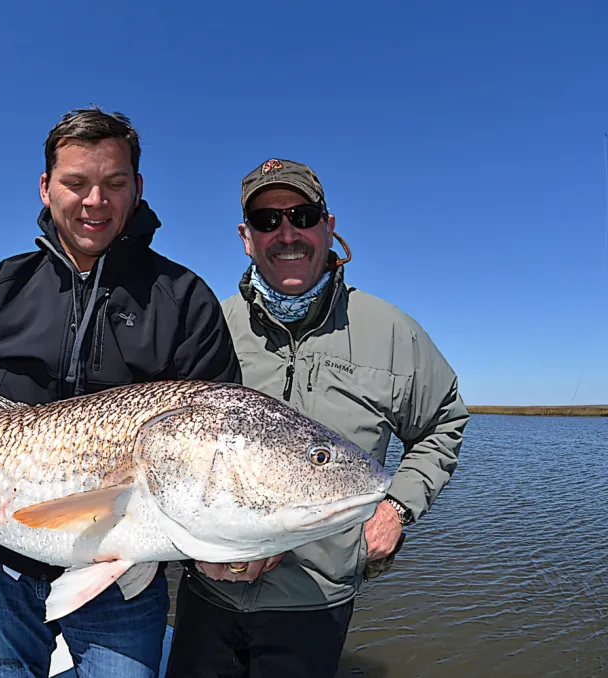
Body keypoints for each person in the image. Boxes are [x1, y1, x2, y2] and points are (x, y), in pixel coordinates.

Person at [0, 107, 242, 677]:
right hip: (3, 562)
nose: (95, 201)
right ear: (46, 186)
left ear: (137, 187)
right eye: (76, 182)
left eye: (114, 183)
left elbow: (222, 441)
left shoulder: (184, 298)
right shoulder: (1, 287)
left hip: (126, 577)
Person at [165, 158, 469, 678]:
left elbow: (444, 422)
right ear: (245, 237)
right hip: (206, 593)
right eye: (267, 220)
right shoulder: (208, 326)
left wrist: (396, 508)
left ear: (328, 227)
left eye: (302, 217)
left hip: (316, 602)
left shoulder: (391, 331)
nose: (287, 233)